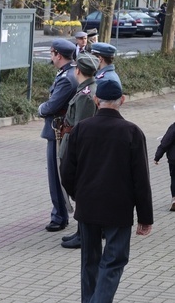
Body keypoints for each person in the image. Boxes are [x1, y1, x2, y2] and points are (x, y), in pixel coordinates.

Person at [60, 80, 153, 303]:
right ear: (122, 100)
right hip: (119, 208)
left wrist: (77, 194)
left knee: (89, 261)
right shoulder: (132, 132)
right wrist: (145, 217)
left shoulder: (81, 128)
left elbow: (66, 171)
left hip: (88, 205)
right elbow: (141, 179)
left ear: (95, 100)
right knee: (114, 260)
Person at [57, 52, 99, 249]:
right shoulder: (87, 89)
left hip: (78, 148)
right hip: (75, 144)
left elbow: (81, 128)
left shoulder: (85, 95)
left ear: (79, 70)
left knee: (81, 189)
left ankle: (84, 234)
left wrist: (76, 154)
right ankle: (80, 231)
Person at [38, 38, 77, 232]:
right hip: (61, 130)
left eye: (51, 53)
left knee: (56, 175)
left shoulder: (66, 78)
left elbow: (51, 106)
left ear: (58, 55)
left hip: (58, 132)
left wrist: (40, 108)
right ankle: (60, 213)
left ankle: (59, 216)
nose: (51, 57)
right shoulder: (70, 72)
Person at [154, 111, 175, 211]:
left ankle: (174, 199)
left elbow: (165, 143)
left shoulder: (173, 128)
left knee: (174, 178)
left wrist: (157, 156)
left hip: (174, 159)